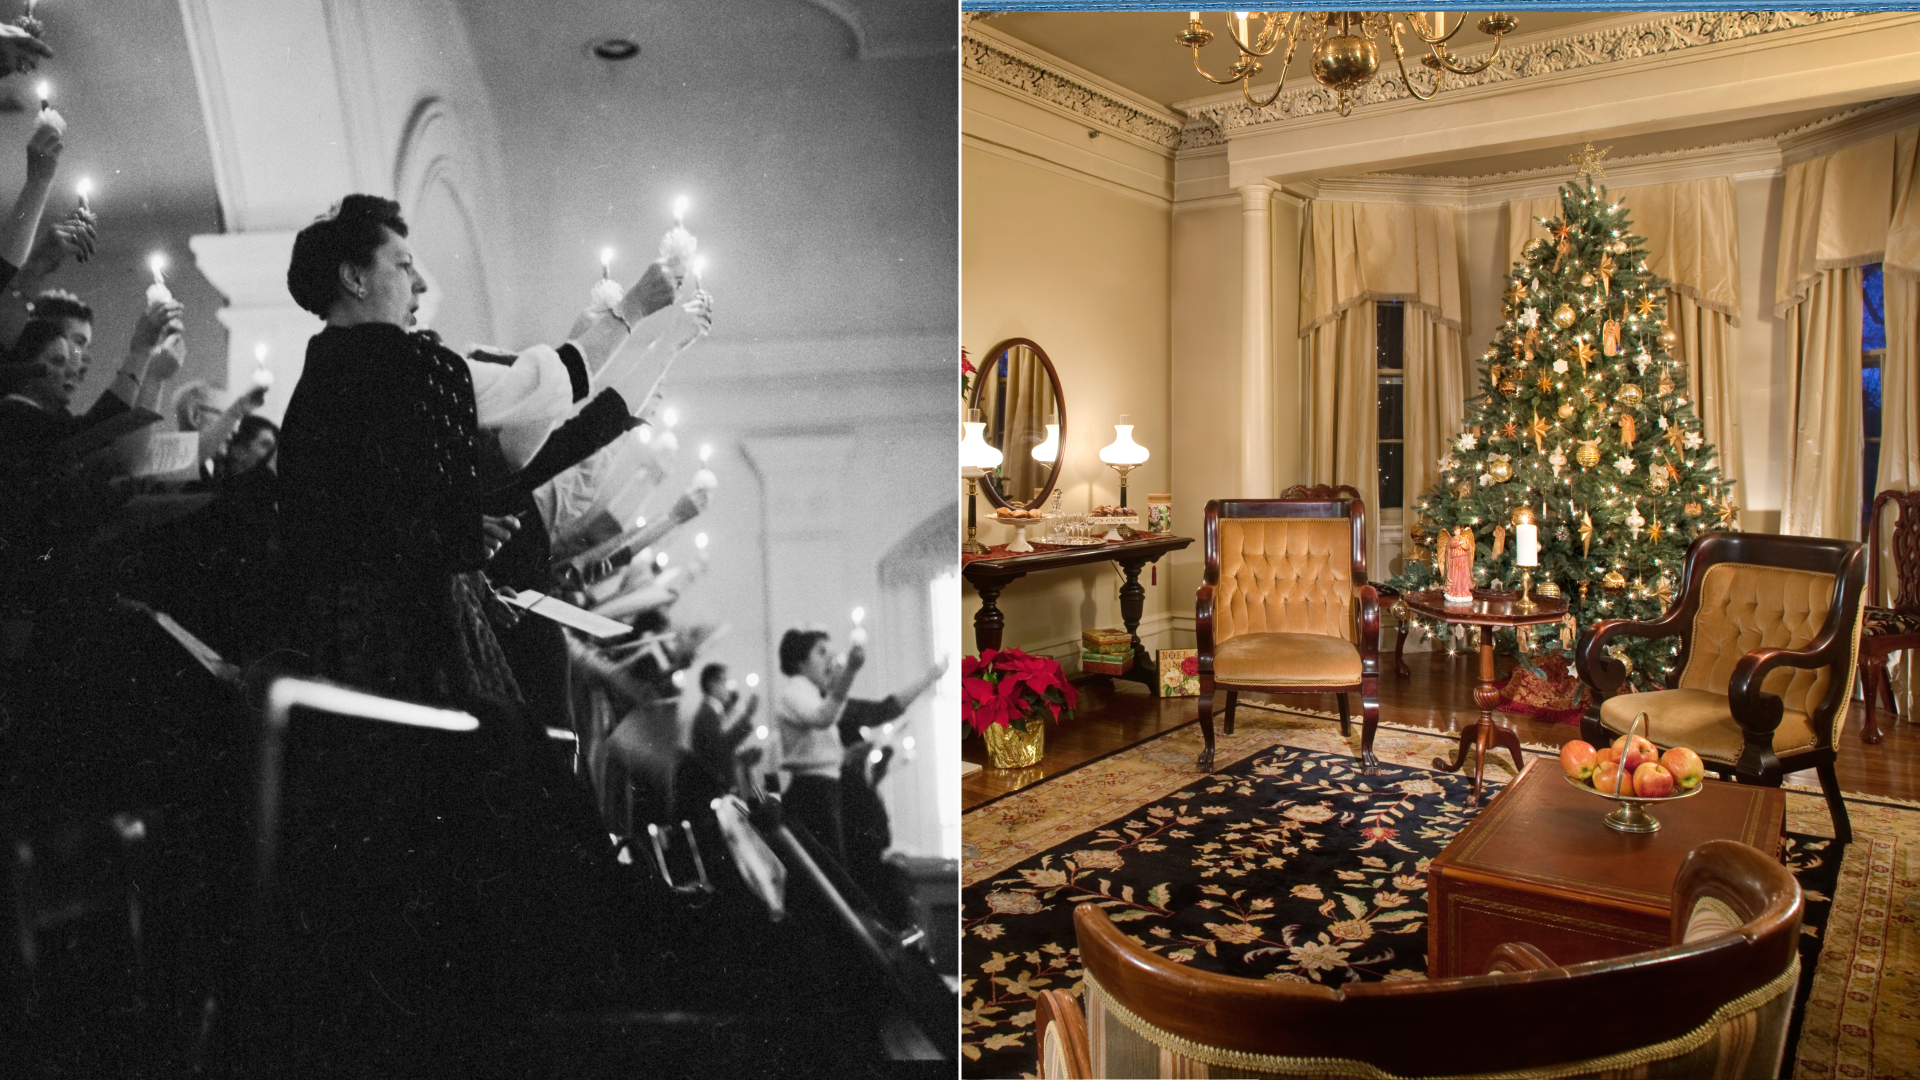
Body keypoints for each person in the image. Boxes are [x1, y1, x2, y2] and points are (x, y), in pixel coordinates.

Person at [276, 193, 700, 706]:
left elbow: (373, 511)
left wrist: (455, 534)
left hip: (340, 641)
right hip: (403, 645)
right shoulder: (407, 367)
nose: (421, 284)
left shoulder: (320, 379)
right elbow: (546, 388)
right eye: (403, 264)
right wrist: (631, 310)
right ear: (355, 278)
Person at [776, 627, 865, 860]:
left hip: (824, 788)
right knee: (828, 870)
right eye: (821, 652)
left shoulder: (812, 692)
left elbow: (829, 716)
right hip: (812, 791)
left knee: (833, 867)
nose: (830, 659)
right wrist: (849, 673)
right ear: (800, 662)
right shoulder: (794, 691)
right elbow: (822, 718)